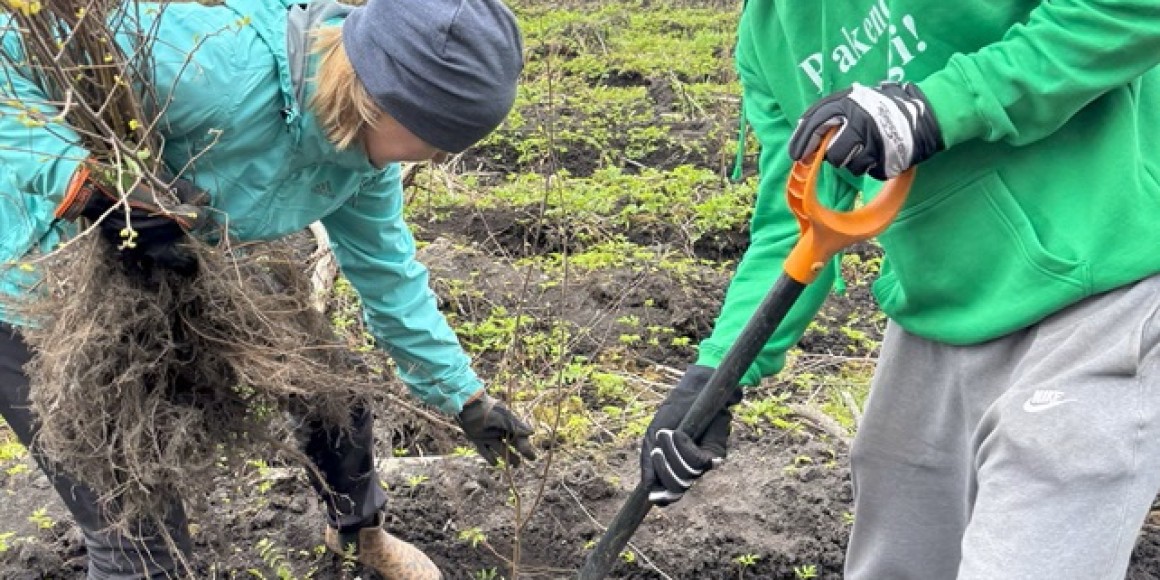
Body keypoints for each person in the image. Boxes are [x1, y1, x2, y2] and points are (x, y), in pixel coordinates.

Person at [0, 0, 536, 578]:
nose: (435, 157)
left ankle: (358, 535)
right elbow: (13, 59)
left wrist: (467, 399)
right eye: (437, 139)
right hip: (39, 293)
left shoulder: (361, 168)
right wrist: (88, 187)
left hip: (175, 274)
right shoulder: (212, 66)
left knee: (335, 394)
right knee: (140, 543)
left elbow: (391, 280)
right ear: (381, 98)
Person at [640, 1, 1160, 578]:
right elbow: (797, 222)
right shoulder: (768, 35)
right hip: (939, 314)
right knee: (896, 561)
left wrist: (935, 108)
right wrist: (715, 374)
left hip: (1109, 283)